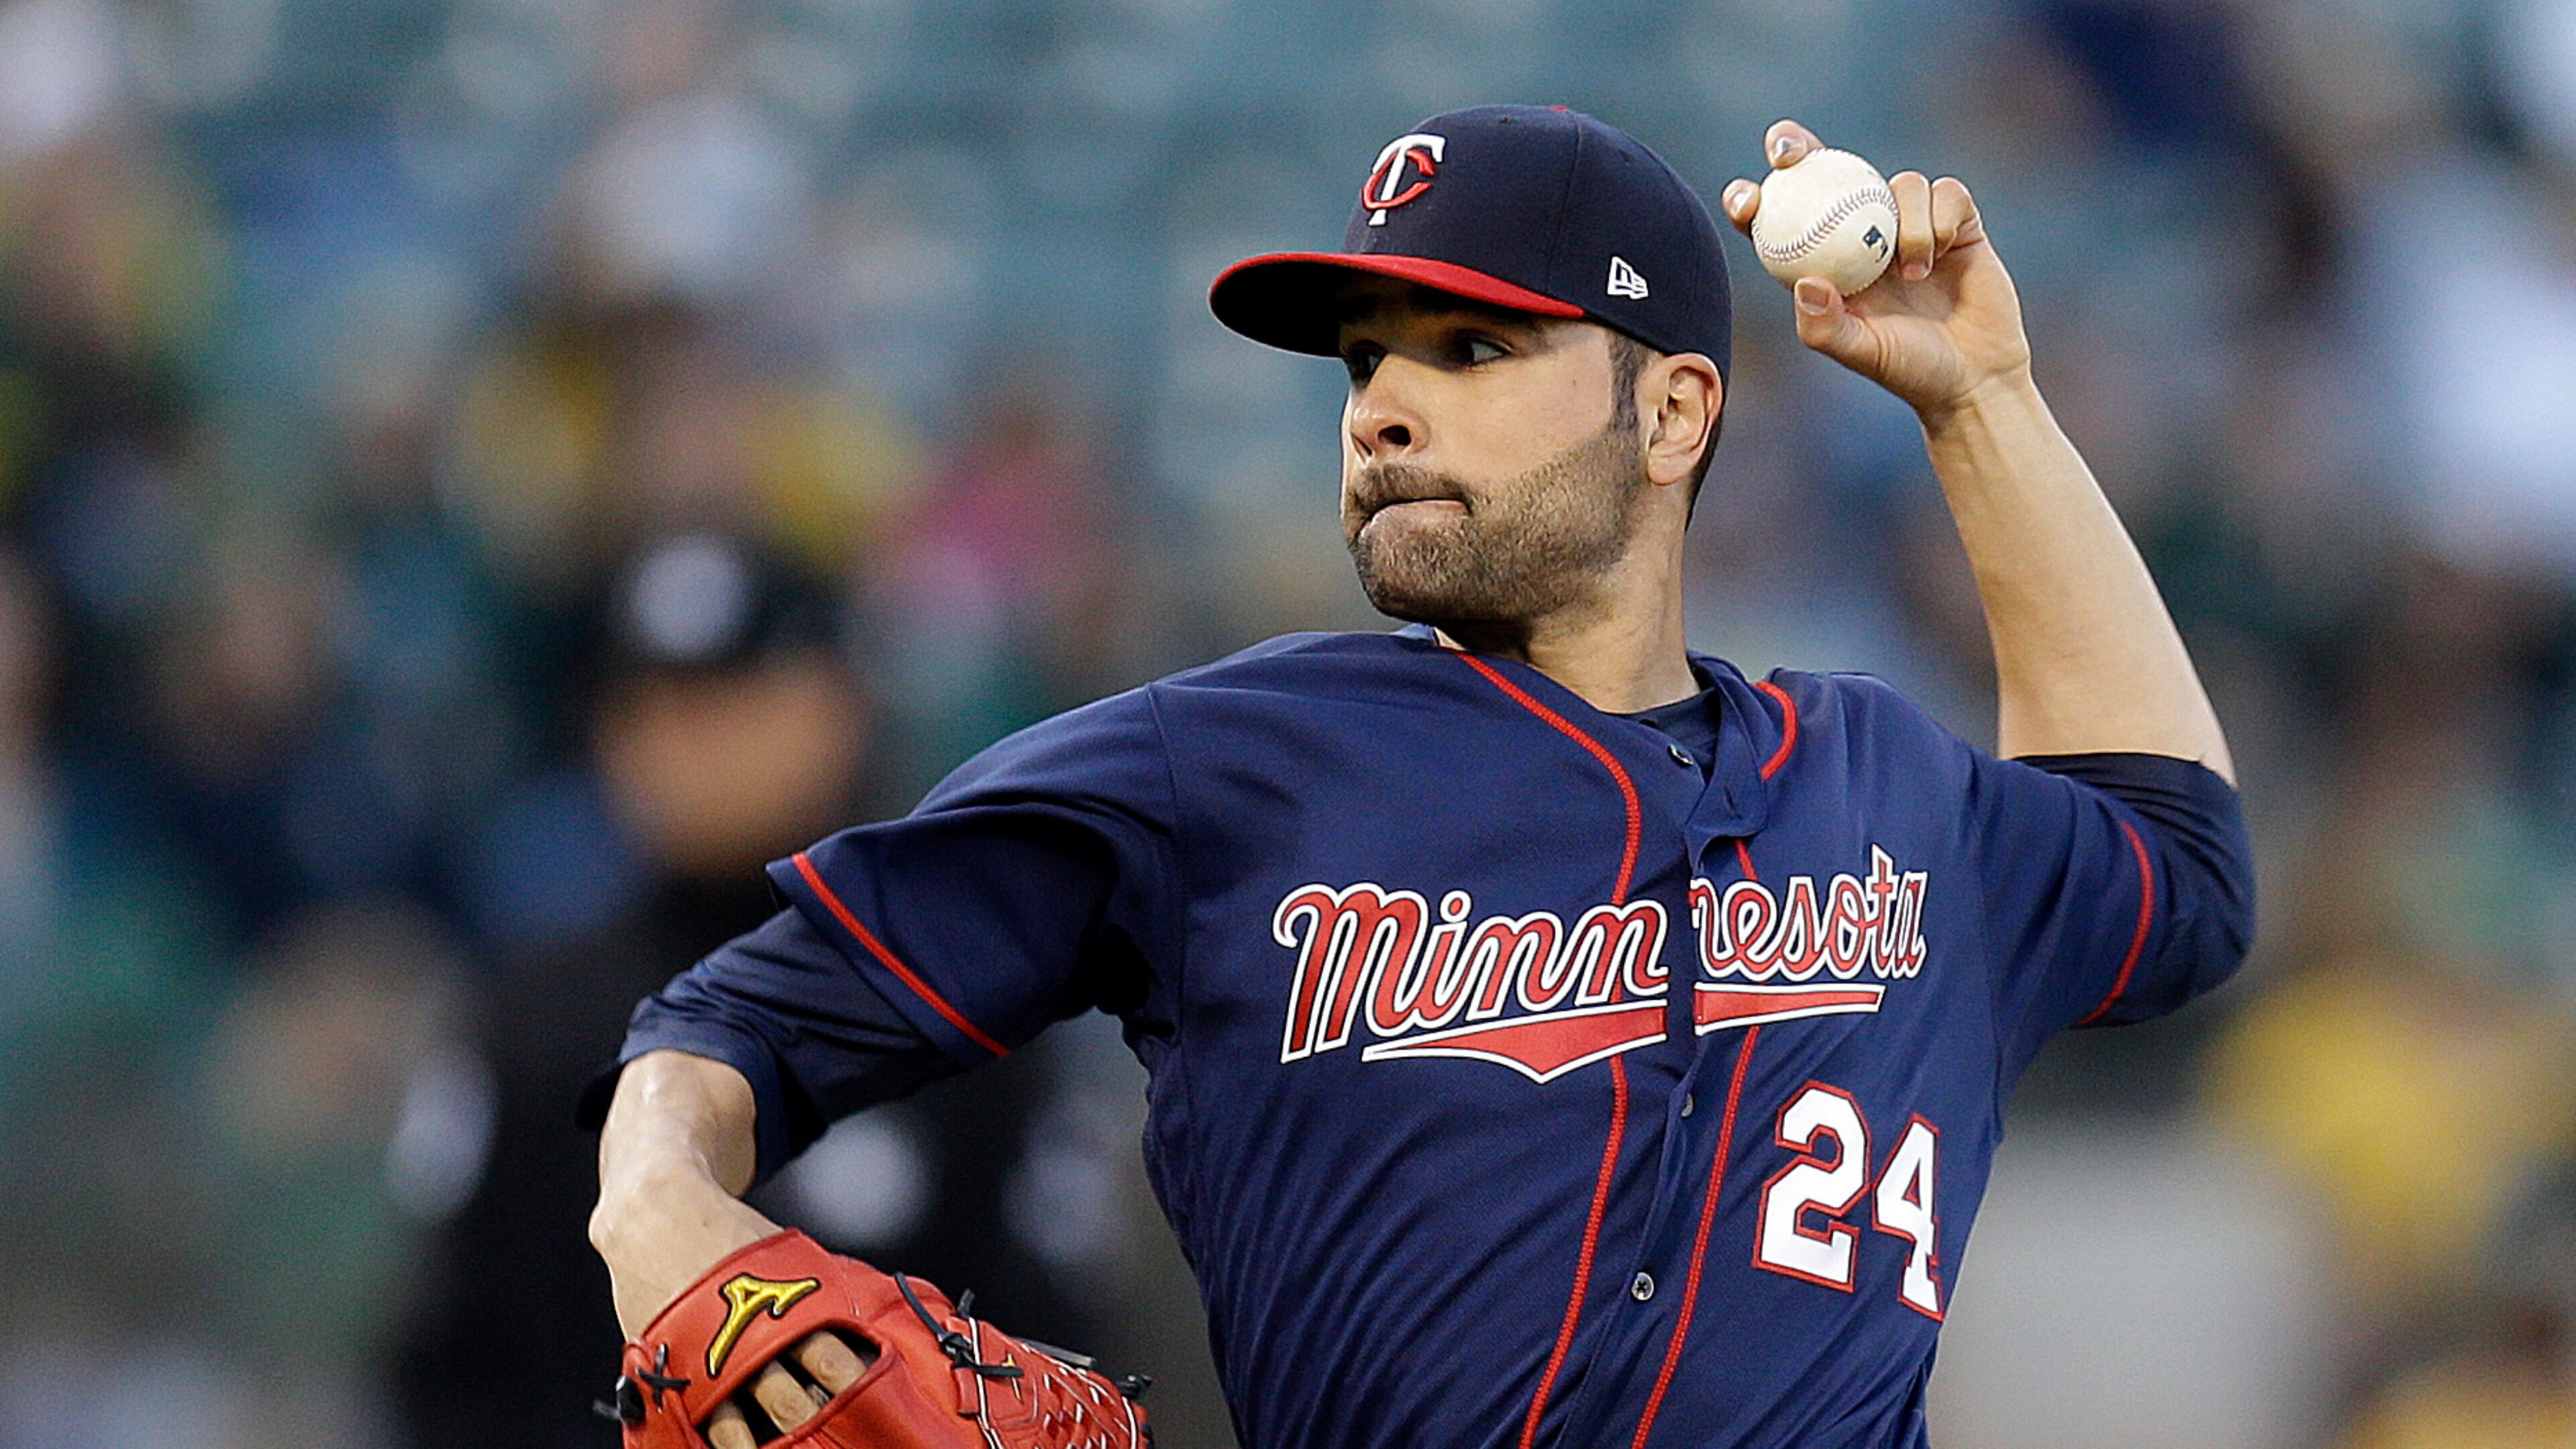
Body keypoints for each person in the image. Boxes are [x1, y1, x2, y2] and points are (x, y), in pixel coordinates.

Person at [584, 106, 2254, 1449]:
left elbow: (2177, 865)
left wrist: (1986, 405)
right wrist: (658, 1205)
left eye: (1470, 350)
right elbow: (739, 1023)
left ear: (1674, 413)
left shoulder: (1891, 785)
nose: (1381, 407)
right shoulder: (1225, 767)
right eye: (1365, 360)